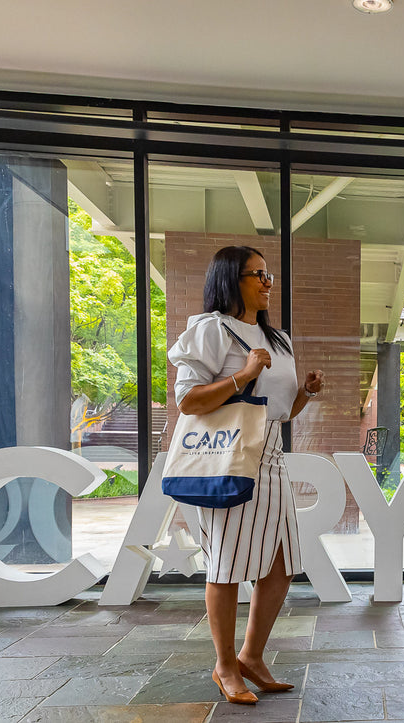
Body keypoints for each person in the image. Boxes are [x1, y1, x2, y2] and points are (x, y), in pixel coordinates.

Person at [167, 245, 325, 706]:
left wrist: (305, 394)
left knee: (279, 565)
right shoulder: (210, 330)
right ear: (229, 279)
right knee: (226, 564)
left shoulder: (278, 339)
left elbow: (276, 412)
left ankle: (251, 657)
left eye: (268, 274)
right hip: (228, 459)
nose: (267, 281)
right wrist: (244, 374)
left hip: (272, 454)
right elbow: (188, 401)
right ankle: (223, 665)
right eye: (256, 274)